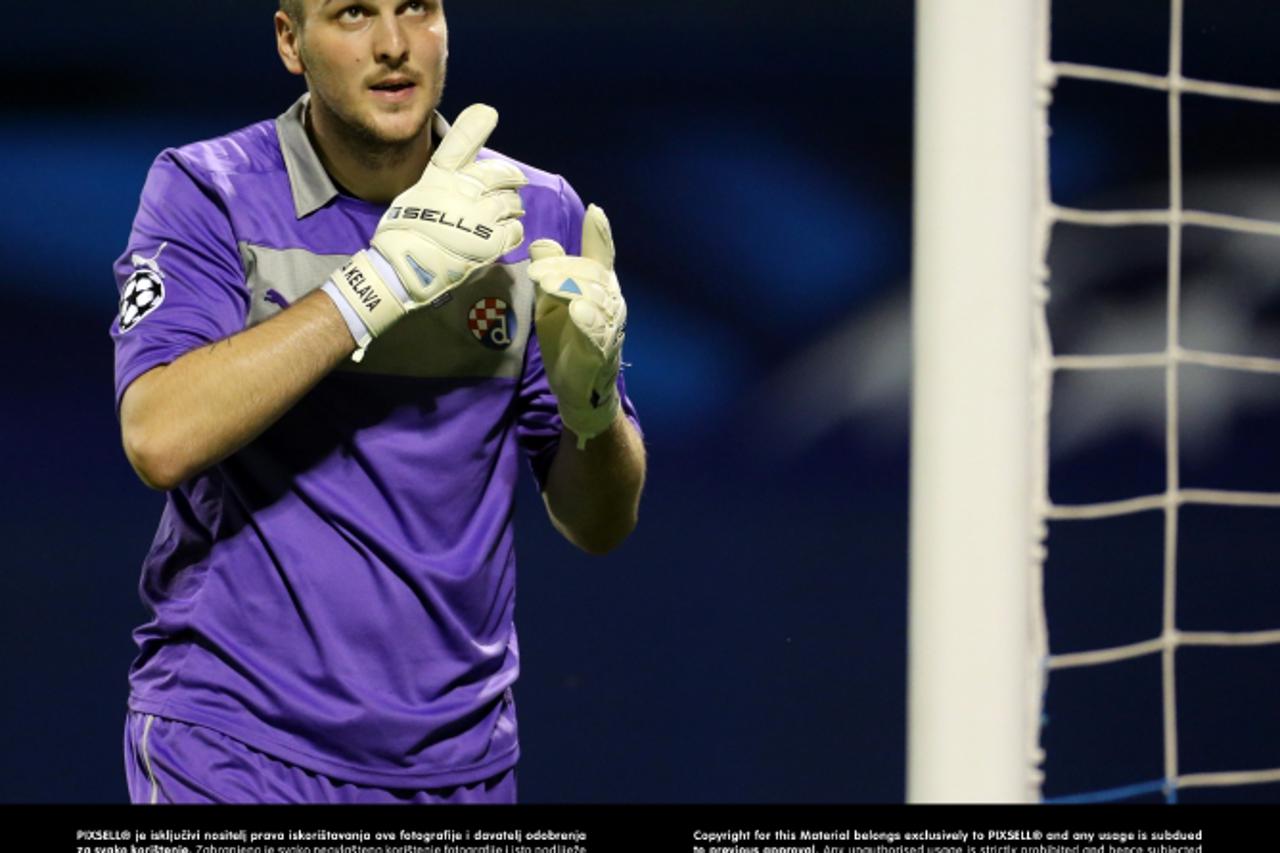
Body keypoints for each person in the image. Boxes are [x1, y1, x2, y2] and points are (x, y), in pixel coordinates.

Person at [111, 0, 645, 804]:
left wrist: (594, 409)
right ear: (291, 42)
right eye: (353, 13)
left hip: (459, 764)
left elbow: (598, 522)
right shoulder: (205, 191)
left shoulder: (533, 214)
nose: (394, 46)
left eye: (416, 10)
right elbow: (158, 435)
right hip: (232, 746)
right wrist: (376, 284)